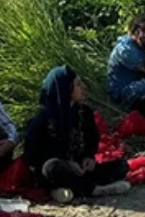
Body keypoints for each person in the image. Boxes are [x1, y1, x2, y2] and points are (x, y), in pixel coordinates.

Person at [23, 66, 132, 204]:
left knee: (121, 166)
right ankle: (94, 190)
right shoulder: (43, 119)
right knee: (52, 167)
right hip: (57, 170)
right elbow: (31, 156)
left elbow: (91, 140)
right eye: (78, 84)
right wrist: (67, 163)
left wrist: (88, 158)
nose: (83, 88)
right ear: (66, 89)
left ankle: (71, 189)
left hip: (80, 168)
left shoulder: (84, 113)